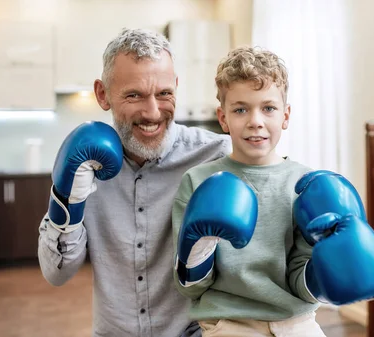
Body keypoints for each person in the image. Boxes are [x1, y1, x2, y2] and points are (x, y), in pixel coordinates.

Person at [171, 47, 374, 336]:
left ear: (285, 115)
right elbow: (191, 287)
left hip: (297, 324)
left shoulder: (307, 184)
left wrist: (320, 278)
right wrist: (200, 244)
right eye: (240, 109)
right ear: (223, 118)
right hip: (230, 324)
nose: (255, 121)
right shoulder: (199, 181)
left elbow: (300, 284)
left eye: (269, 108)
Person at [37, 28, 231, 337]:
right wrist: (66, 203)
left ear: (176, 88)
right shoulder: (85, 162)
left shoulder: (217, 156)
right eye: (134, 95)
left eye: (164, 94)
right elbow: (56, 273)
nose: (153, 112)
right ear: (103, 94)